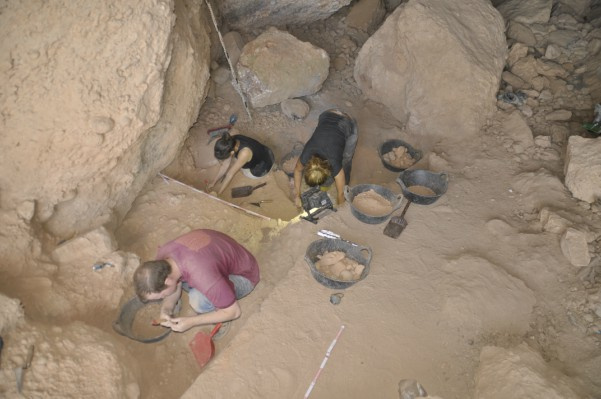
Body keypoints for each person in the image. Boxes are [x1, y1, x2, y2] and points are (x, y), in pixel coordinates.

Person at [133, 229, 260, 333]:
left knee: (198, 301)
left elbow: (234, 312)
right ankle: (218, 296)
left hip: (244, 274)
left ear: (168, 281)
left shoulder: (203, 275)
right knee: (188, 286)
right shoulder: (163, 259)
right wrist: (166, 309)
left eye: (162, 296)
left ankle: (219, 314)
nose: (162, 297)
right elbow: (175, 284)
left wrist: (191, 322)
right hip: (215, 255)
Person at [293, 109, 358, 206]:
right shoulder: (306, 155)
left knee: (346, 158)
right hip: (327, 114)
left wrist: (339, 211)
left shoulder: (335, 163)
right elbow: (297, 171)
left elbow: (340, 194)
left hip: (347, 121)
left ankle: (346, 182)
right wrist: (297, 195)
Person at [208, 132, 275, 195]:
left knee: (242, 168)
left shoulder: (244, 153)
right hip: (266, 151)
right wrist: (213, 183)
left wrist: (219, 193)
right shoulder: (231, 140)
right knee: (236, 160)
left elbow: (230, 174)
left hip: (263, 167)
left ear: (231, 152)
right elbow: (225, 165)